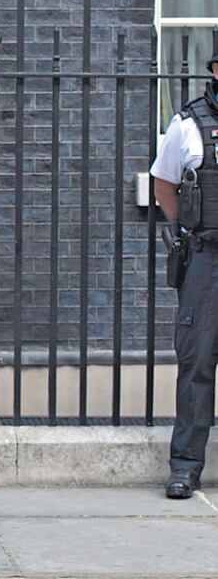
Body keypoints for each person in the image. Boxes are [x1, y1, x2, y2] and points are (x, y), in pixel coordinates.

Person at [151, 52, 218, 499]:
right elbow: (163, 184)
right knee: (196, 365)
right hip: (207, 259)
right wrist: (186, 234)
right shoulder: (187, 124)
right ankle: (186, 467)